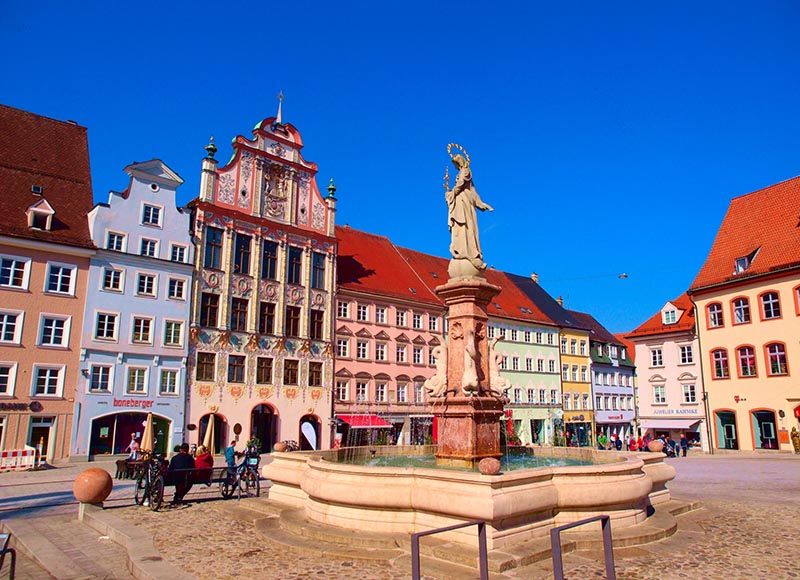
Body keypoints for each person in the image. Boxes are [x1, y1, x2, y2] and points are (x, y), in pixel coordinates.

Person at [445, 150, 494, 271]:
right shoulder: (461, 173)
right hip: (459, 204)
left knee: (468, 228)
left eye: (456, 164)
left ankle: (470, 253)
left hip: (465, 204)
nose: (455, 167)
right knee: (459, 228)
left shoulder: (465, 171)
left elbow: (463, 186)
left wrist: (451, 194)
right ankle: (461, 251)